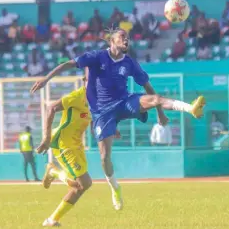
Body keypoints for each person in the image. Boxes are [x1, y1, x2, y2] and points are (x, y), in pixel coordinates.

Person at [30, 27, 206, 211]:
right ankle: (115, 188)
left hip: (124, 103)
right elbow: (68, 64)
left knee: (155, 99)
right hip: (102, 113)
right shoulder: (97, 57)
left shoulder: (129, 63)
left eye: (127, 37)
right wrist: (46, 79)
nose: (126, 40)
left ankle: (190, 108)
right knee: (105, 158)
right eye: (122, 37)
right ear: (112, 41)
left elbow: (147, 85)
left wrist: (160, 112)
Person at [35, 70, 95, 227]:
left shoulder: (97, 100)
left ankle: (52, 220)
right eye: (90, 79)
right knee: (82, 184)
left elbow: (94, 120)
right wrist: (46, 138)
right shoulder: (77, 96)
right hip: (63, 143)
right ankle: (53, 172)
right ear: (84, 80)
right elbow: (51, 108)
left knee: (82, 186)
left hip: (77, 145)